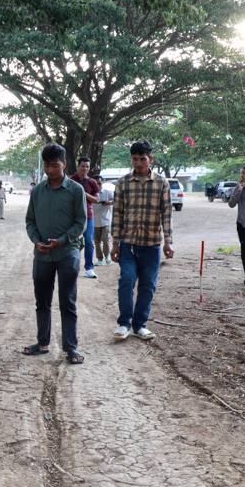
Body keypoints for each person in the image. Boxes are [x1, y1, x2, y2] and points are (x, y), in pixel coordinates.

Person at [24, 144, 87, 364]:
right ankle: (42, 343)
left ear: (64, 164)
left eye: (54, 165)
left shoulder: (76, 190)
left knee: (67, 301)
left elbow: (81, 222)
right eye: (47, 166)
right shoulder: (37, 192)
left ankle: (71, 348)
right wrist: (36, 241)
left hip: (68, 252)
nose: (50, 170)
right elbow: (30, 221)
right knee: (42, 301)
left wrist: (61, 240)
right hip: (42, 254)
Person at [110, 141, 174, 341]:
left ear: (150, 159)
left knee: (148, 285)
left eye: (142, 159)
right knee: (127, 280)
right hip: (128, 243)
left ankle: (140, 325)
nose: (138, 163)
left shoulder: (161, 183)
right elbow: (117, 214)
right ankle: (124, 323)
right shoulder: (123, 183)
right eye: (135, 159)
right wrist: (115, 243)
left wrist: (168, 241)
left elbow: (166, 213)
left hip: (151, 244)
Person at [69, 157, 101, 279]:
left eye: (87, 166)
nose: (85, 168)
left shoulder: (92, 182)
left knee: (89, 242)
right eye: (83, 166)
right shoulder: (71, 181)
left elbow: (97, 200)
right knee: (71, 241)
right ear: (78, 166)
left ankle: (89, 268)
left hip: (88, 216)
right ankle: (70, 266)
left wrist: (84, 193)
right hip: (73, 217)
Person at [95, 176, 115, 266]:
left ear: (102, 183)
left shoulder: (107, 192)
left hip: (106, 220)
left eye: (99, 183)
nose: (97, 185)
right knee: (97, 241)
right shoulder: (91, 192)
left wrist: (108, 203)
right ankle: (99, 259)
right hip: (94, 221)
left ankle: (107, 257)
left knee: (105, 239)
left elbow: (116, 200)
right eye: (96, 183)